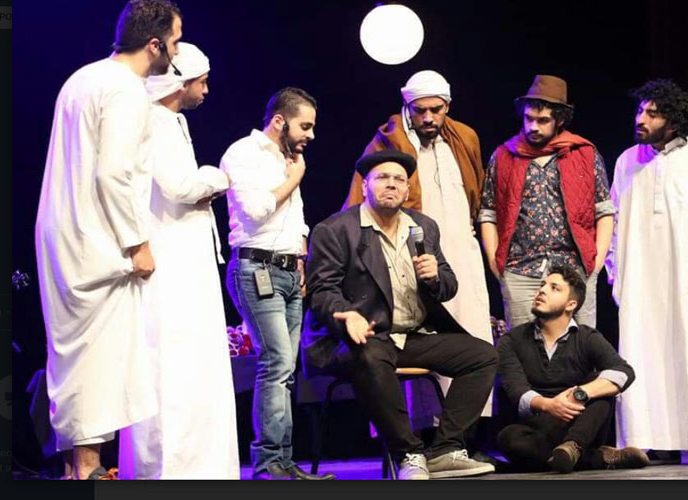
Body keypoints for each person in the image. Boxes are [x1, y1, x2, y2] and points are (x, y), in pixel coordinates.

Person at [34, 0, 182, 480]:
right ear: (155, 44)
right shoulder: (125, 89)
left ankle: (77, 467)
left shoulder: (83, 77)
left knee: (75, 354)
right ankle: (88, 468)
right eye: (175, 41)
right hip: (96, 238)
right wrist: (137, 242)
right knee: (99, 355)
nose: (177, 52)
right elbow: (113, 173)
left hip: (66, 230)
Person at [304, 150, 497, 480]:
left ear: (408, 190)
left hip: (410, 337)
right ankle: (407, 453)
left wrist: (435, 277)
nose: (391, 185)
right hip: (360, 337)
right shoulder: (335, 230)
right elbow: (321, 290)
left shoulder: (422, 227)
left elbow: (448, 286)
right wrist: (347, 314)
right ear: (365, 186)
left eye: (399, 180)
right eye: (382, 178)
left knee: (483, 356)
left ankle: (445, 450)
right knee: (370, 355)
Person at [342, 70, 493, 426]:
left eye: (435, 110)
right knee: (417, 337)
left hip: (461, 250)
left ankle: (467, 431)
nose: (427, 118)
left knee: (472, 331)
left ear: (447, 106)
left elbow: (477, 189)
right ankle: (420, 434)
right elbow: (359, 202)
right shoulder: (387, 142)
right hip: (408, 254)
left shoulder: (465, 138)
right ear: (407, 107)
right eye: (419, 110)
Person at [117, 42, 239, 479]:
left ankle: (201, 466)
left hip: (187, 256)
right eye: (201, 82)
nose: (205, 91)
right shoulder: (156, 121)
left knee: (196, 361)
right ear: (180, 83)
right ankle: (173, 470)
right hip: (171, 259)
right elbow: (180, 186)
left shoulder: (172, 121)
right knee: (172, 360)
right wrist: (219, 177)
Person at [606, 79, 688, 465]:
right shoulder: (627, 161)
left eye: (652, 113)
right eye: (640, 110)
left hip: (687, 279)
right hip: (640, 281)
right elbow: (614, 222)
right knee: (642, 356)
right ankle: (649, 442)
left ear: (674, 120)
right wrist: (616, 276)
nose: (641, 119)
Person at [221, 87, 333, 480]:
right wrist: (295, 177)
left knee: (286, 369)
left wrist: (301, 257)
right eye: (306, 126)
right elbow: (256, 211)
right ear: (280, 121)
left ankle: (284, 461)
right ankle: (267, 461)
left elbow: (295, 218)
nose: (311, 135)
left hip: (288, 271)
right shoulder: (243, 153)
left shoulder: (290, 158)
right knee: (276, 362)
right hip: (256, 269)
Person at [479, 75, 614, 329]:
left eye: (542, 121)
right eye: (529, 118)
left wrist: (596, 266)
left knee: (580, 346)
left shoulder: (584, 153)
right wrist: (496, 265)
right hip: (520, 270)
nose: (533, 127)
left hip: (574, 269)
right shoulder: (504, 155)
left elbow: (604, 211)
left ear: (559, 120)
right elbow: (488, 214)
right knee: (523, 348)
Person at [496, 265, 648, 473]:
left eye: (554, 288)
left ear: (571, 304)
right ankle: (598, 457)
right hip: (539, 426)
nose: (542, 291)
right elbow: (516, 390)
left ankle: (573, 447)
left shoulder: (586, 337)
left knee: (600, 382)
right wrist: (550, 405)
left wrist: (581, 393)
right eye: (543, 285)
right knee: (509, 438)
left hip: (581, 424)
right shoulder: (512, 340)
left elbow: (624, 371)